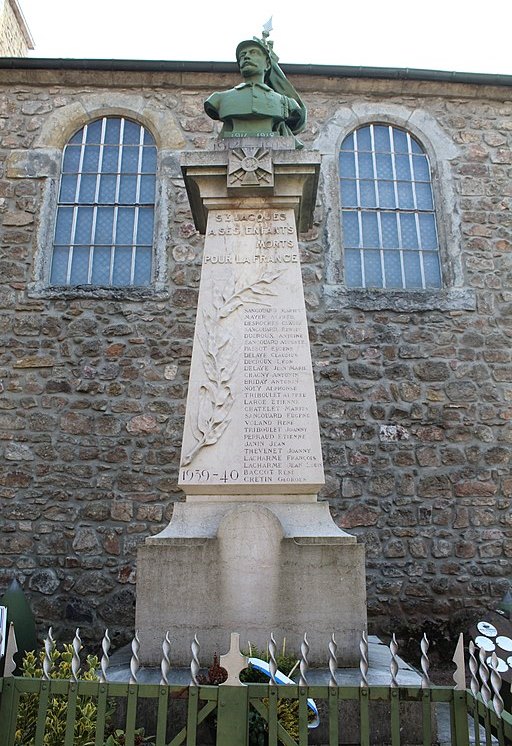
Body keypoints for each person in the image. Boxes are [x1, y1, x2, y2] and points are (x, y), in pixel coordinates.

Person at [204, 37, 306, 146]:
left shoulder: (286, 103)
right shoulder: (219, 99)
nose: (246, 57)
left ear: (267, 64)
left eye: (253, 53)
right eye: (242, 55)